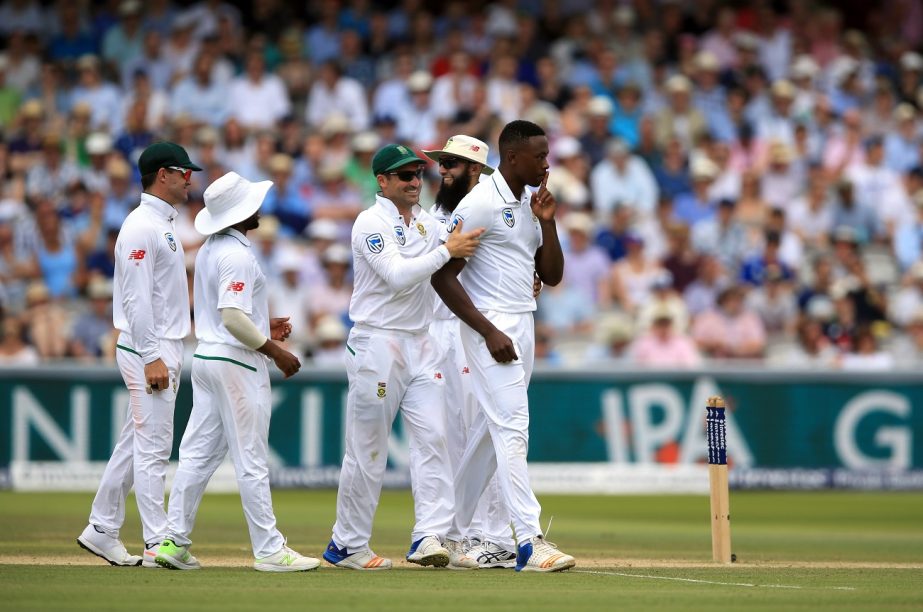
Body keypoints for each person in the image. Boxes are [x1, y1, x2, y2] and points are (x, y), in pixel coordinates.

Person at [322, 144, 483, 571]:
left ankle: (428, 535)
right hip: (378, 343)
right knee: (368, 449)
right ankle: (347, 544)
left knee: (435, 439)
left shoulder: (428, 222)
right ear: (382, 181)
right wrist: (447, 250)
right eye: (404, 176)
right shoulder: (369, 222)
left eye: (417, 175)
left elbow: (452, 263)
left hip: (421, 342)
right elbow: (395, 277)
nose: (415, 182)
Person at [154, 171, 319, 572]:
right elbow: (231, 317)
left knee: (195, 455)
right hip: (235, 361)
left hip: (209, 359)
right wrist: (274, 350)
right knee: (251, 459)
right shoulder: (238, 255)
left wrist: (263, 324)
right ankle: (269, 549)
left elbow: (225, 312)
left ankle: (173, 542)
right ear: (243, 211)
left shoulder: (213, 248)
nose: (260, 206)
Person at [431, 120, 576, 572]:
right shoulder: (480, 203)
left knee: (488, 440)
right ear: (512, 157)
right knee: (513, 427)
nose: (546, 163)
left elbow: (550, 275)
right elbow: (442, 275)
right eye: (540, 155)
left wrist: (548, 223)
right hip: (490, 328)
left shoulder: (529, 205)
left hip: (523, 324)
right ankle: (531, 541)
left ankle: (446, 534)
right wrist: (488, 330)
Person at [77, 141, 202, 568]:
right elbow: (135, 300)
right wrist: (151, 355)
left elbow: (161, 296)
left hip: (160, 343)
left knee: (135, 443)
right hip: (147, 345)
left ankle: (101, 528)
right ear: (162, 174)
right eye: (183, 172)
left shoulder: (161, 223)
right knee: (153, 447)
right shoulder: (140, 226)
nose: (190, 179)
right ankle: (156, 542)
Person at [421, 135, 515, 568]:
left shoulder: (485, 210)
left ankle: (490, 533)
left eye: (453, 164)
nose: (443, 170)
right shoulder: (430, 217)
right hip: (433, 332)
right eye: (442, 163)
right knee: (450, 437)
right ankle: (461, 534)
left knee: (486, 428)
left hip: (469, 327)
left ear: (475, 169)